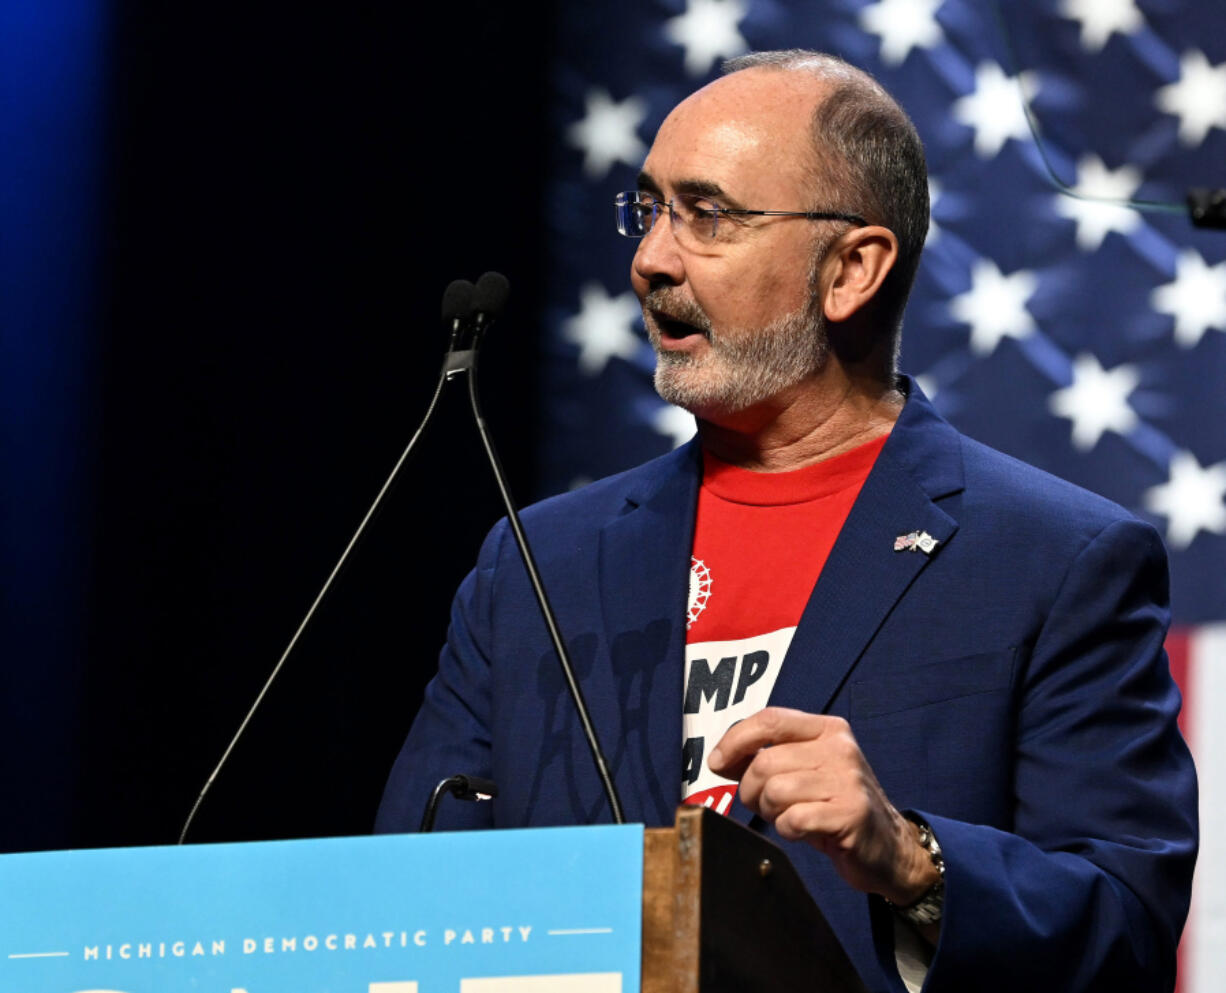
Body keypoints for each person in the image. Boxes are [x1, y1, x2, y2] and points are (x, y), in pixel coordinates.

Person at [376, 50, 1196, 992]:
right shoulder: (540, 564)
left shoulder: (1055, 560)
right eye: (648, 209)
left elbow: (1125, 932)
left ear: (850, 269)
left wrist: (916, 861)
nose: (650, 259)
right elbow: (409, 897)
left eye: (708, 215)